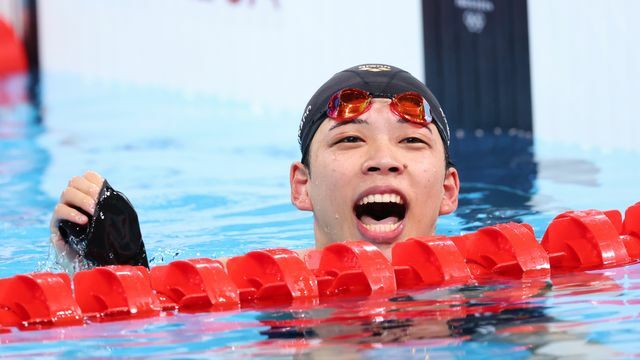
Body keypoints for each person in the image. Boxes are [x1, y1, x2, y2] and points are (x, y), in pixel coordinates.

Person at [49, 64, 460, 269]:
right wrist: (103, 270)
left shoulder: (507, 286)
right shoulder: (254, 292)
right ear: (302, 187)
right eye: (350, 139)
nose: (384, 160)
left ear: (448, 190)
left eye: (410, 140)